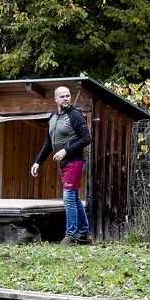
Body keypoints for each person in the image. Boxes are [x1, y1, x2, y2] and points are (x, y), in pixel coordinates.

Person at [29, 86, 91, 245]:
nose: (66, 99)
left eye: (68, 96)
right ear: (55, 99)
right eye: (62, 96)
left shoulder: (75, 115)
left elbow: (86, 139)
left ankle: (70, 236)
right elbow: (49, 142)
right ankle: (84, 235)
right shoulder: (52, 117)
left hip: (75, 161)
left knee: (69, 198)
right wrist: (38, 162)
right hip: (63, 164)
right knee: (75, 199)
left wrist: (65, 150)